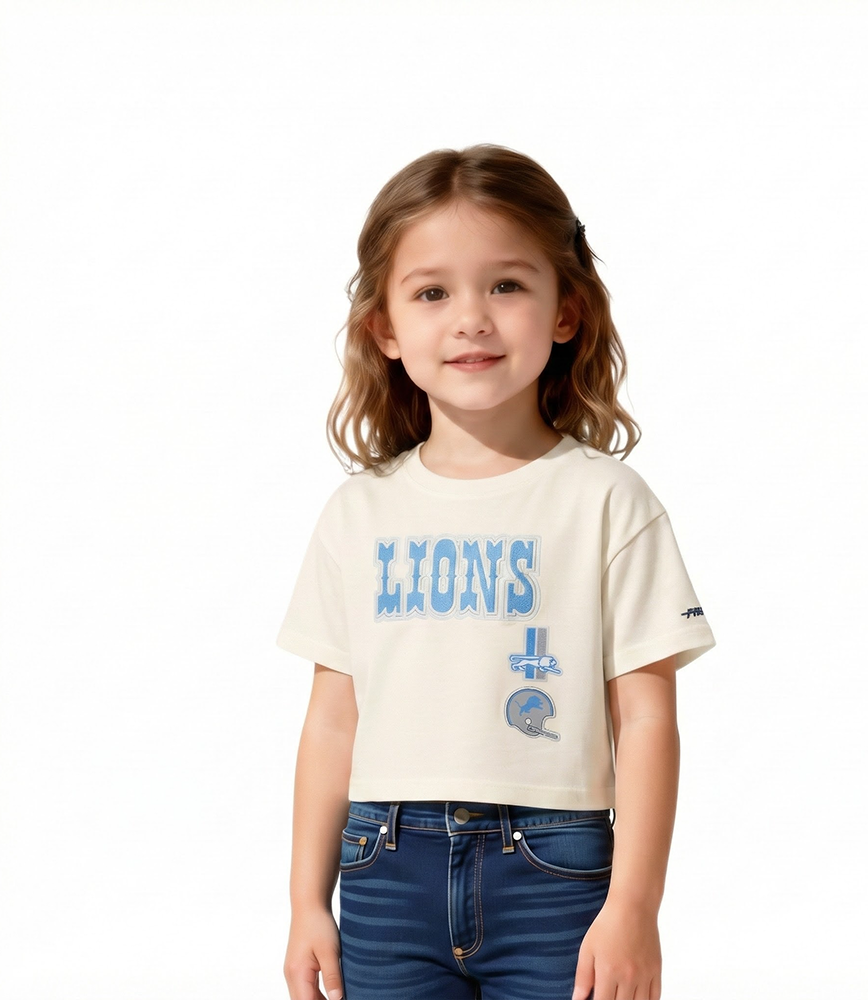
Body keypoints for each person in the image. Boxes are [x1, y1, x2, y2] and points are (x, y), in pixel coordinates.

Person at [276, 143, 717, 1000]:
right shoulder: (358, 513)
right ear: (385, 329)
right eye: (432, 292)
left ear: (566, 311)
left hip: (556, 871)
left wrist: (635, 907)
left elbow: (647, 719)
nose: (471, 319)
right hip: (382, 870)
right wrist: (305, 903)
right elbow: (332, 723)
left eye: (507, 285)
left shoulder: (607, 502)